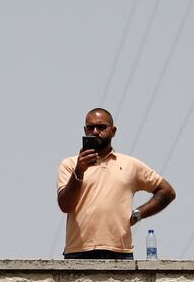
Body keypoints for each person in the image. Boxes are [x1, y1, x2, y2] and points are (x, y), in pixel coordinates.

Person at [57, 108, 175, 259]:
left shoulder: (130, 164)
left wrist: (138, 214)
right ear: (84, 130)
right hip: (78, 251)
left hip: (119, 252)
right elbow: (65, 205)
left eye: (101, 127)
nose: (95, 132)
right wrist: (79, 172)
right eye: (90, 127)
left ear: (113, 131)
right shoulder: (70, 164)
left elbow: (167, 191)